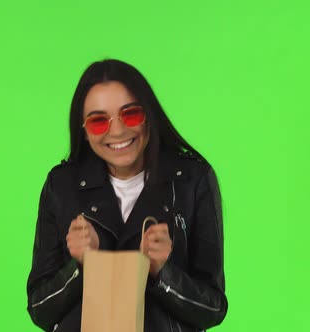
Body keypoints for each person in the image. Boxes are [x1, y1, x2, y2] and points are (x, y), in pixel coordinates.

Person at [26, 59, 227, 332]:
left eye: (130, 114)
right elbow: (40, 310)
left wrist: (161, 271)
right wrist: (81, 266)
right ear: (84, 131)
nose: (118, 131)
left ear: (149, 115)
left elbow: (213, 309)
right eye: (98, 121)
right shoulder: (62, 186)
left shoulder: (191, 180)